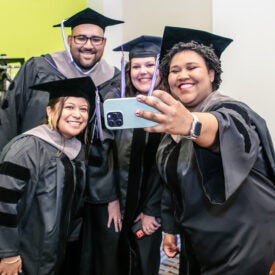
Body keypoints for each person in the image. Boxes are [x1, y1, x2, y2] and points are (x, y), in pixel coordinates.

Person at [134, 26, 275, 275]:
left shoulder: (233, 111)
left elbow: (223, 129)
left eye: (191, 67)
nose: (182, 75)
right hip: (199, 241)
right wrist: (170, 229)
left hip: (243, 240)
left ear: (211, 73)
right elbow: (173, 185)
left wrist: (192, 125)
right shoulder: (171, 133)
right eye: (174, 71)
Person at [0, 76, 96, 275]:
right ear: (49, 111)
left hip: (58, 251)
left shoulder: (78, 151)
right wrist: (8, 253)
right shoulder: (27, 149)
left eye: (84, 109)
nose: (77, 115)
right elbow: (4, 203)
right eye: (69, 107)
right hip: (25, 254)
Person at [111, 35, 163, 275]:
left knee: (144, 262)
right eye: (136, 66)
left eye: (150, 65)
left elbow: (170, 169)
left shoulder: (172, 108)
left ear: (161, 68)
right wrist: (110, 199)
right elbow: (103, 156)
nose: (143, 71)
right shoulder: (117, 105)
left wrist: (153, 210)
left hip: (151, 205)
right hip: (119, 201)